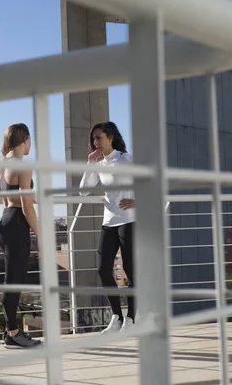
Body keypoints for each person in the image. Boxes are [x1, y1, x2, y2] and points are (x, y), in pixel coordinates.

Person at [79, 121, 137, 334]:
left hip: (129, 221)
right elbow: (83, 192)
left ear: (110, 137)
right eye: (93, 139)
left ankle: (131, 319)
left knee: (130, 271)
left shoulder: (126, 159)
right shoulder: (99, 164)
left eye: (99, 137)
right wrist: (90, 165)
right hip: (109, 222)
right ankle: (117, 317)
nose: (95, 142)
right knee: (103, 270)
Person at [0, 123, 42, 349]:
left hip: (4, 222)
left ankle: (9, 331)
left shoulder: (2, 163)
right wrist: (40, 235)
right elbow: (26, 206)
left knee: (10, 280)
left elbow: (6, 200)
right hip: (17, 226)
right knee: (13, 282)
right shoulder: (24, 165)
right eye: (30, 140)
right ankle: (13, 333)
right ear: (25, 140)